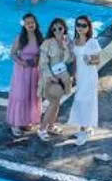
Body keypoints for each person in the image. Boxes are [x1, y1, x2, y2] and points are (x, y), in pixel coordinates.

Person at [37, 17, 75, 141]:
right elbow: (42, 63)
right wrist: (50, 77)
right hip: (50, 79)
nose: (57, 30)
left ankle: (51, 126)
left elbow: (69, 60)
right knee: (53, 103)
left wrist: (69, 48)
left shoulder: (66, 42)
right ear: (51, 30)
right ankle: (42, 128)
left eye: (60, 28)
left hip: (63, 78)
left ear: (64, 28)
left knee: (57, 103)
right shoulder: (47, 43)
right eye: (54, 29)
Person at [6, 15, 43, 139]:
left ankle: (25, 121)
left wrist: (37, 60)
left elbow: (41, 53)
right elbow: (12, 54)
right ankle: (15, 124)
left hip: (34, 71)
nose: (30, 25)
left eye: (32, 22)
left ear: (36, 23)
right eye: (28, 23)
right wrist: (22, 63)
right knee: (20, 96)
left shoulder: (39, 37)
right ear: (24, 25)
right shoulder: (20, 38)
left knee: (30, 96)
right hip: (22, 71)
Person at [69, 15, 102, 144]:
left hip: (89, 75)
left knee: (85, 100)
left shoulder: (92, 42)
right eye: (78, 25)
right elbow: (74, 60)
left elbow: (98, 60)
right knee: (79, 100)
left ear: (89, 27)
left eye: (84, 25)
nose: (80, 28)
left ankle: (84, 130)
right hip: (80, 76)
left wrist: (89, 61)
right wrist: (73, 75)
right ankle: (85, 127)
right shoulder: (75, 41)